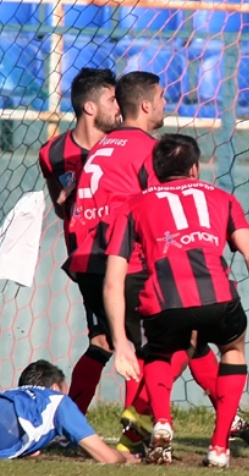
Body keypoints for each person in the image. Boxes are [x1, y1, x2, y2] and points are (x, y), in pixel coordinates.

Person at [66, 71, 249, 454]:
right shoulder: (147, 149)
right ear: (146, 106)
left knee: (123, 341)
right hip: (120, 260)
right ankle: (140, 431)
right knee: (167, 340)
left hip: (85, 255)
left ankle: (126, 425)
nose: (166, 103)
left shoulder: (103, 145)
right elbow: (165, 206)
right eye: (162, 97)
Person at [104, 133, 249, 468]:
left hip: (164, 301)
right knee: (233, 347)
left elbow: (112, 280)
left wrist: (120, 341)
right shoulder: (222, 197)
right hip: (218, 296)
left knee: (162, 349)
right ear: (195, 168)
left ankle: (161, 419)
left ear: (155, 169)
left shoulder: (133, 204)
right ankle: (220, 446)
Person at [38, 67, 119, 415]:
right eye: (112, 99)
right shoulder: (52, 153)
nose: (120, 107)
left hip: (130, 257)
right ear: (89, 107)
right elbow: (61, 208)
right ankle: (76, 422)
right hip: (90, 261)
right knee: (106, 341)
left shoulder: (124, 146)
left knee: (121, 342)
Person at [0, 360, 139, 464]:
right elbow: (108, 458)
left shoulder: (12, 395)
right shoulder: (58, 401)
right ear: (55, 388)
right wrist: (125, 457)